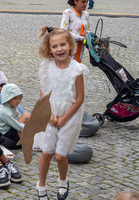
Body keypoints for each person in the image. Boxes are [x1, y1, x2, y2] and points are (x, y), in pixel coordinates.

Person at [36, 26, 89, 200]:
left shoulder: (77, 69)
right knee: (46, 153)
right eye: (55, 46)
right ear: (49, 50)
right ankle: (41, 186)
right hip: (51, 113)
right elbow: (44, 92)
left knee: (59, 156)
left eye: (62, 45)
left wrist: (65, 118)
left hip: (70, 116)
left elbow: (80, 98)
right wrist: (50, 115)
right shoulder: (47, 67)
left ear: (70, 46)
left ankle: (63, 180)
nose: (59, 49)